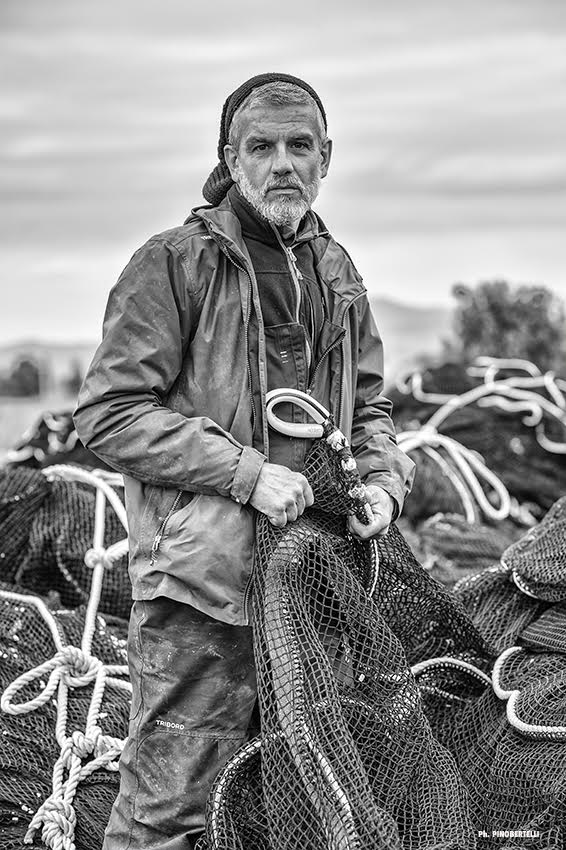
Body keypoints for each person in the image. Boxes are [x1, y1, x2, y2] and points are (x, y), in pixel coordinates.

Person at [74, 72, 415, 850]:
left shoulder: (337, 272)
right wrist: (246, 475)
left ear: (327, 157)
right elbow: (109, 413)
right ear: (230, 159)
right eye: (261, 146)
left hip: (313, 592)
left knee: (297, 807)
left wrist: (381, 484)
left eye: (300, 145)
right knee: (168, 814)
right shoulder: (172, 264)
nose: (282, 163)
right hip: (203, 594)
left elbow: (370, 410)